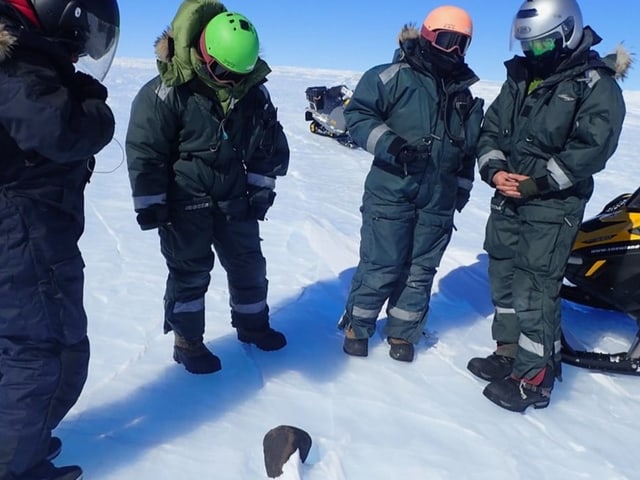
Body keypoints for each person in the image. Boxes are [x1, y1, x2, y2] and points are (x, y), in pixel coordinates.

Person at [467, 0, 630, 412]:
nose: (531, 54)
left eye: (541, 46)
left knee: (535, 288)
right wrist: (495, 171)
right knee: (502, 277)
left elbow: (592, 149)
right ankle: (509, 352)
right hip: (509, 198)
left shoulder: (595, 84)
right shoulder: (520, 78)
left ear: (567, 33)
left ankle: (534, 378)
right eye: (527, 46)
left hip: (553, 206)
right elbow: (491, 131)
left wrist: (539, 183)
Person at [125, 0, 289, 375]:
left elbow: (268, 145)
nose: (230, 81)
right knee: (190, 274)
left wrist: (261, 187)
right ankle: (188, 344)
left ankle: (252, 326)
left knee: (249, 266)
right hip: (185, 202)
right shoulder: (167, 91)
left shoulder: (251, 93)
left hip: (234, 198)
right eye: (222, 72)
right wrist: (151, 201)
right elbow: (145, 148)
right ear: (203, 53)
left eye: (238, 74)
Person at [0, 0, 120, 477]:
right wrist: (94, 107)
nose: (78, 51)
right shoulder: (16, 62)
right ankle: (15, 465)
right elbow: (62, 131)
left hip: (29, 228)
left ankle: (17, 443)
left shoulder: (23, 54)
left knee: (24, 350)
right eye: (80, 32)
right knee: (46, 354)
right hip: (22, 231)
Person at [337, 5, 484, 362]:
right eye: (448, 41)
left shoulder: (464, 95)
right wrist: (393, 146)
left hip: (438, 199)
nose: (455, 52)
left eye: (462, 44)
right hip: (391, 191)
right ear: (429, 36)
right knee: (381, 263)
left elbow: (467, 148)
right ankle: (358, 325)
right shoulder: (392, 77)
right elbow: (356, 115)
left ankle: (403, 332)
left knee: (419, 271)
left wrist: (460, 190)